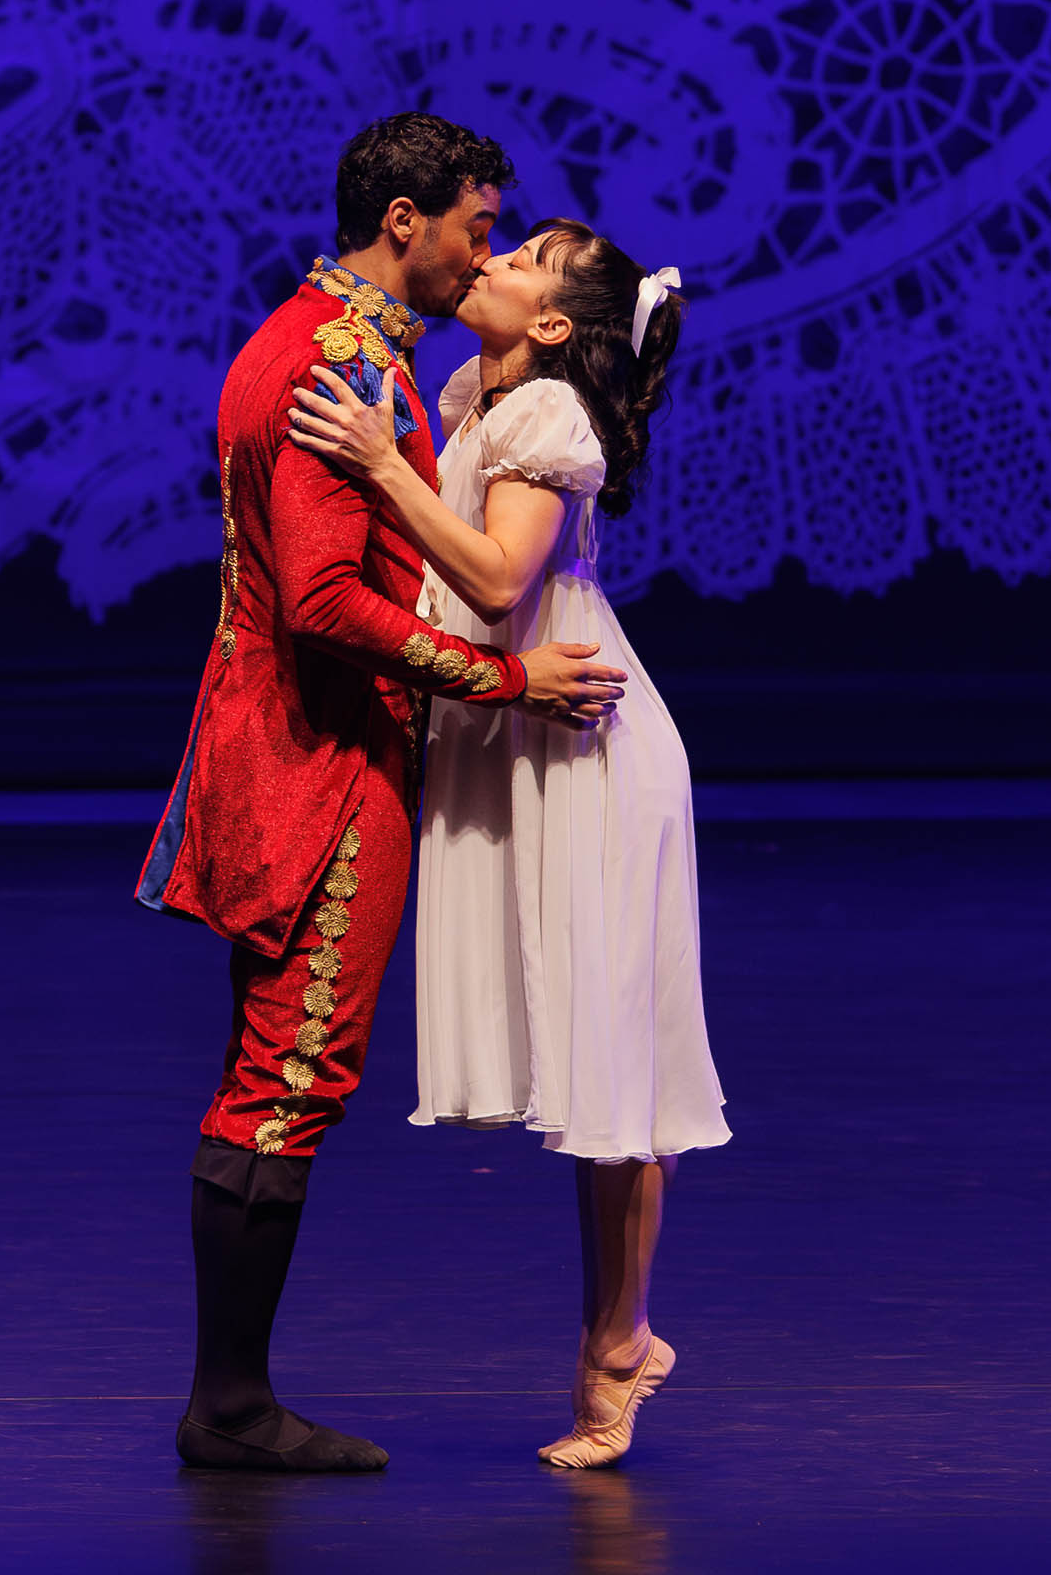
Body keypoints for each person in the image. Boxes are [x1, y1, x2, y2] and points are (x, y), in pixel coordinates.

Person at [136, 117, 630, 1474]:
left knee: (274, 1069)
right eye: (479, 227)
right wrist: (507, 681)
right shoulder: (337, 360)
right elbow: (324, 600)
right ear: (405, 220)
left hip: (291, 735)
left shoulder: (319, 341)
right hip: (323, 755)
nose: (484, 255)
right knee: (289, 1074)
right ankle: (230, 1405)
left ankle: (231, 1398)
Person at [288, 217, 726, 1471]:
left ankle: (618, 1344)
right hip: (520, 730)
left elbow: (493, 579)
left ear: (551, 323)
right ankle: (618, 1338)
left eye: (522, 258)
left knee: (619, 1072)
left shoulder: (546, 415)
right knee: (593, 1072)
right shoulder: (475, 399)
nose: (488, 260)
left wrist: (382, 465)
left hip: (585, 746)